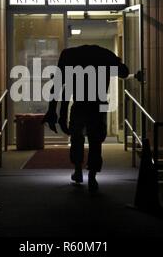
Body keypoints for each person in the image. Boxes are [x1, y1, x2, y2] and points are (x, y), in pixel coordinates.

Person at [43, 44, 129, 191]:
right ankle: (92, 176)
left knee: (77, 137)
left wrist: (53, 112)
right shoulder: (104, 54)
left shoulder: (69, 55)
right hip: (98, 105)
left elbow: (58, 86)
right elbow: (124, 72)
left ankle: (78, 170)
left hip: (80, 104)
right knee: (96, 141)